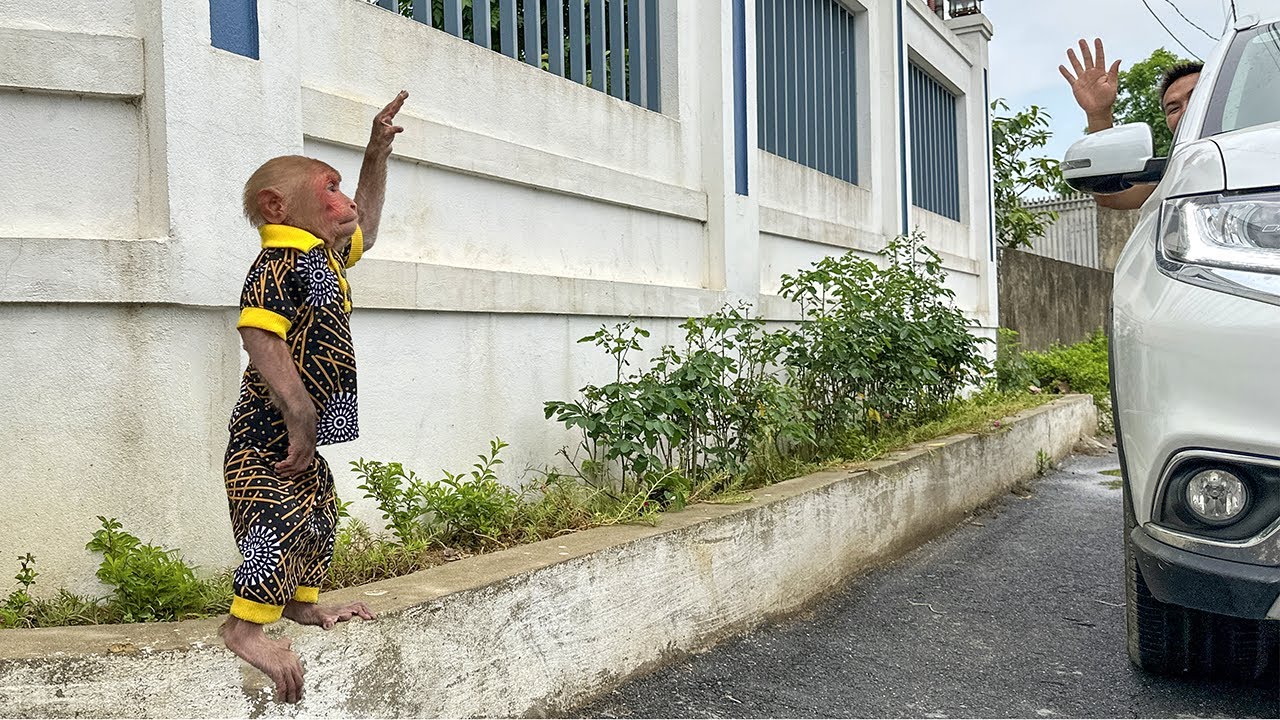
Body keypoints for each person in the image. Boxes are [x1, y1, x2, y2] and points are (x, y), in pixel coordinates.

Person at [219, 91, 409, 704]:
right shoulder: (279, 260)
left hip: (297, 435)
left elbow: (368, 229)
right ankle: (244, 629)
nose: (345, 200)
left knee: (318, 511)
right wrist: (300, 414)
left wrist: (375, 154)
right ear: (280, 205)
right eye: (329, 188)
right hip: (264, 434)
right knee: (271, 522)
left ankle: (300, 606)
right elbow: (257, 334)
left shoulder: (321, 257)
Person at [1059, 39, 1202, 209]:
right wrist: (1098, 113)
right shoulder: (1173, 173)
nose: (1186, 110)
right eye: (1173, 108)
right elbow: (1113, 197)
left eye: (1196, 96)